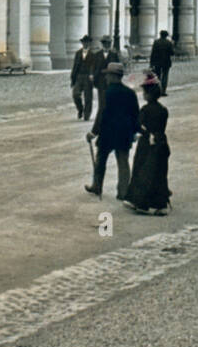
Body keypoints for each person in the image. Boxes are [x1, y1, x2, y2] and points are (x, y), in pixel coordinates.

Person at [85, 62, 139, 200]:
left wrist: (94, 132)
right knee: (123, 163)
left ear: (113, 76)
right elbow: (135, 114)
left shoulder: (106, 93)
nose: (106, 77)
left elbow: (101, 114)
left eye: (108, 75)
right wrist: (134, 132)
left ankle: (97, 186)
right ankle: (123, 192)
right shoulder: (130, 93)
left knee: (101, 160)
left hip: (108, 133)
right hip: (124, 133)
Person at [125, 74, 171, 215]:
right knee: (159, 173)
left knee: (142, 171)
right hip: (161, 142)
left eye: (144, 92)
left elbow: (139, 126)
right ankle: (160, 203)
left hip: (146, 144)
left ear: (148, 94)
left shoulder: (145, 110)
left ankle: (140, 201)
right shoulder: (163, 110)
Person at [70, 35, 95, 120]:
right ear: (82, 43)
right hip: (79, 77)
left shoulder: (92, 54)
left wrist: (92, 75)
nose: (85, 44)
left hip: (88, 77)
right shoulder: (78, 53)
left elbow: (93, 66)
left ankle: (87, 114)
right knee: (75, 94)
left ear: (90, 43)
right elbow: (75, 66)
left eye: (87, 42)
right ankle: (80, 109)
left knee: (88, 97)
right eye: (84, 42)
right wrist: (72, 79)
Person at [149, 29, 175, 96]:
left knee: (157, 76)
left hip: (157, 62)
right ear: (166, 36)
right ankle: (163, 91)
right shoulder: (169, 43)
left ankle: (157, 90)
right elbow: (172, 53)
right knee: (165, 77)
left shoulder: (156, 42)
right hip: (166, 62)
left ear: (160, 35)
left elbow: (153, 53)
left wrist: (151, 63)